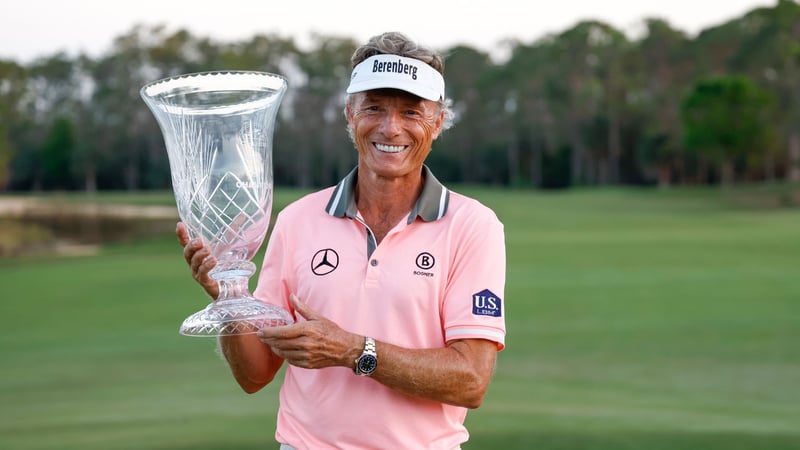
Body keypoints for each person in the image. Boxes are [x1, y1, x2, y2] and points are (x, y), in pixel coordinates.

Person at [177, 31, 506, 450]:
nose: (391, 127)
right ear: (349, 114)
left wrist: (353, 350)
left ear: (438, 122)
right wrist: (227, 294)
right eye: (374, 108)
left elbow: (471, 381)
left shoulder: (472, 226)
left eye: (411, 112)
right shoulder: (298, 220)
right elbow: (254, 375)